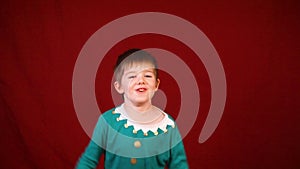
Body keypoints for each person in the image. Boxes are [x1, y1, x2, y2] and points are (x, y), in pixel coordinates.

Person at [76, 49, 188, 169]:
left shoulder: (168, 126)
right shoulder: (107, 121)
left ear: (156, 85)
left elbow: (179, 165)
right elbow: (88, 161)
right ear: (119, 87)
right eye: (132, 76)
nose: (141, 81)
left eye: (148, 75)